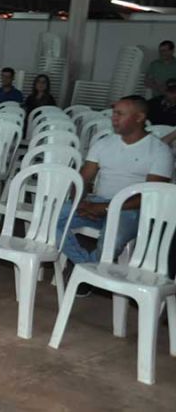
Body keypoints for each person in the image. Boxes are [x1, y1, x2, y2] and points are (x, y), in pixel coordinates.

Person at [55, 96, 173, 296]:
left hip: (132, 209)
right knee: (51, 217)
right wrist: (79, 202)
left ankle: (86, 273)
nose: (114, 118)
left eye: (120, 113)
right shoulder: (104, 143)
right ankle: (88, 267)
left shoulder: (159, 151)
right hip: (97, 202)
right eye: (114, 113)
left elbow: (152, 195)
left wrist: (107, 208)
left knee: (113, 238)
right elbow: (83, 178)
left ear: (139, 117)